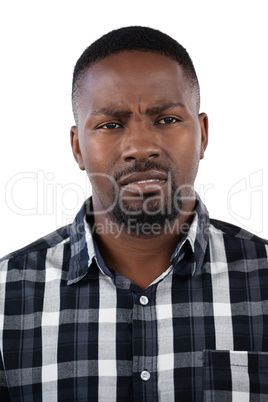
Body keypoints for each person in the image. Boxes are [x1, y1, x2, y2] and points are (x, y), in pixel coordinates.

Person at [1, 26, 268, 401]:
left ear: (203, 134)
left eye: (167, 119)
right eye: (111, 124)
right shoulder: (5, 296)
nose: (141, 147)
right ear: (78, 148)